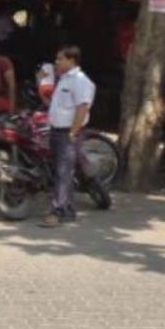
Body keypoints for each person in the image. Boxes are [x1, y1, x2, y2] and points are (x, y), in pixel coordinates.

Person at [42, 45, 96, 228]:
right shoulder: (63, 79)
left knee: (63, 172)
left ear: (71, 61)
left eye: (60, 59)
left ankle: (59, 212)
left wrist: (73, 132)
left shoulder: (80, 81)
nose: (56, 62)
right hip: (57, 130)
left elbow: (82, 107)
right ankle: (68, 210)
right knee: (60, 171)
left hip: (69, 132)